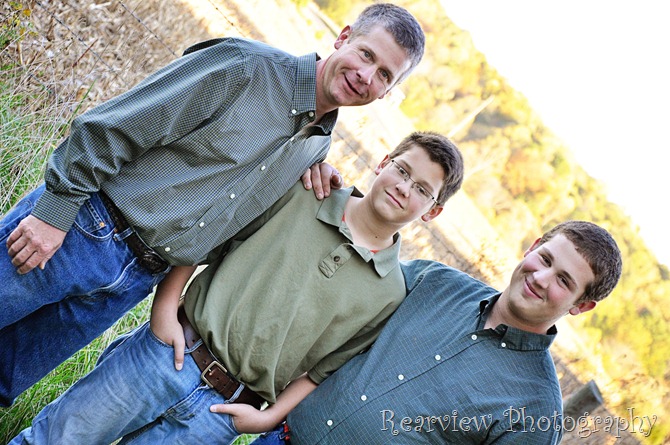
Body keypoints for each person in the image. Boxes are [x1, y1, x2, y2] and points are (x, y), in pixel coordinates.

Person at [0, 3, 426, 406]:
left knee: (6, 376)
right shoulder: (244, 67)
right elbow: (116, 126)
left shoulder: (315, 147)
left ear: (388, 91)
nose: (365, 76)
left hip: (134, 281)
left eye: (384, 74)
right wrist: (54, 212)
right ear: (344, 36)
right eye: (366, 54)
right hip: (83, 229)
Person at [9, 131, 465, 444]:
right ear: (383, 163)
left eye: (423, 190)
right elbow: (212, 235)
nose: (405, 188)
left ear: (432, 212)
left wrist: (267, 419)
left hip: (223, 412)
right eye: (402, 170)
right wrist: (165, 310)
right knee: (56, 437)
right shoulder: (301, 194)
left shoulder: (389, 294)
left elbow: (320, 372)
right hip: (167, 353)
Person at [252, 220, 623, 444]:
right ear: (533, 247)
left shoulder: (535, 411)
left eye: (563, 281)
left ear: (581, 305)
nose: (540, 278)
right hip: (279, 438)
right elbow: (353, 282)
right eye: (545, 259)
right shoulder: (434, 282)